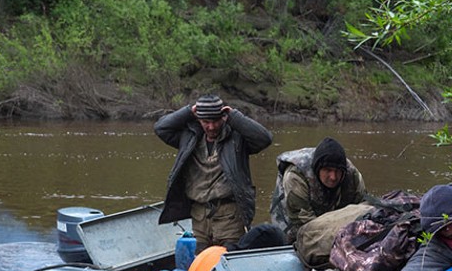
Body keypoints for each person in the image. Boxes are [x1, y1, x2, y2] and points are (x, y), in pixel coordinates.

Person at [154, 94, 273, 253]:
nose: (211, 127)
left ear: (223, 118)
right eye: (206, 122)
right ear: (198, 119)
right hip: (199, 214)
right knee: (202, 260)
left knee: (227, 259)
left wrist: (234, 116)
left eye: (215, 121)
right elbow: (161, 128)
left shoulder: (237, 137)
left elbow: (264, 138)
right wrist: (188, 111)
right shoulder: (188, 136)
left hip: (229, 214)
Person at [270, 136, 368, 242]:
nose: (333, 177)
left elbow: (363, 207)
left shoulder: (352, 175)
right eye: (328, 170)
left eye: (337, 171)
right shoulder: (296, 176)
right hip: (293, 218)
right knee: (292, 241)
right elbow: (305, 223)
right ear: (318, 169)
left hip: (328, 210)